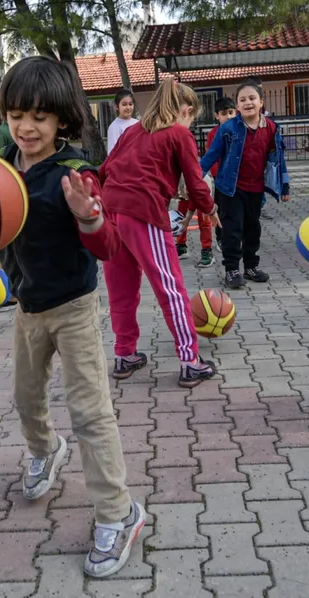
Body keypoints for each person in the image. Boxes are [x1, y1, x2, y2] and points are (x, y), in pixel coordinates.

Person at [0, 56, 144, 578]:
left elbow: (107, 247)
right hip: (27, 307)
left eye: (39, 115)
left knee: (90, 414)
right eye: (16, 113)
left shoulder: (75, 174)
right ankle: (46, 449)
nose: (26, 126)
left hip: (75, 308)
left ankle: (118, 513)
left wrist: (89, 214)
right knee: (25, 398)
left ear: (62, 119)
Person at [98, 77, 220, 388]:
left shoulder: (130, 131)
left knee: (121, 290)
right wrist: (210, 208)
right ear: (186, 110)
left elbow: (104, 169)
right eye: (192, 119)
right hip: (143, 212)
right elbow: (195, 183)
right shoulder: (179, 134)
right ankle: (190, 361)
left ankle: (124, 355)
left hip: (111, 210)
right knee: (171, 287)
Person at [200, 79, 291, 289]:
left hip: (256, 188)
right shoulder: (228, 128)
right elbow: (211, 155)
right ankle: (231, 270)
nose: (247, 102)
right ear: (238, 106)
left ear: (261, 102)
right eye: (242, 100)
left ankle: (251, 267)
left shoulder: (271, 128)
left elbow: (279, 159)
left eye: (252, 98)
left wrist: (284, 186)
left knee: (253, 229)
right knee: (232, 230)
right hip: (230, 188)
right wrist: (195, 177)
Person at [178, 96, 236, 266]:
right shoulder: (211, 134)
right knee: (182, 215)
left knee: (207, 215)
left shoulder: (187, 136)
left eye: (231, 112)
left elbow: (206, 161)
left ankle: (207, 250)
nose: (228, 116)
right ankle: (180, 245)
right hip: (184, 184)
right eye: (224, 113)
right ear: (216, 115)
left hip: (202, 182)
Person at [107, 89, 139, 154]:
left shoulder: (138, 123)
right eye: (124, 104)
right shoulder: (114, 127)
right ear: (116, 107)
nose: (128, 107)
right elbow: (112, 153)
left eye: (130, 104)